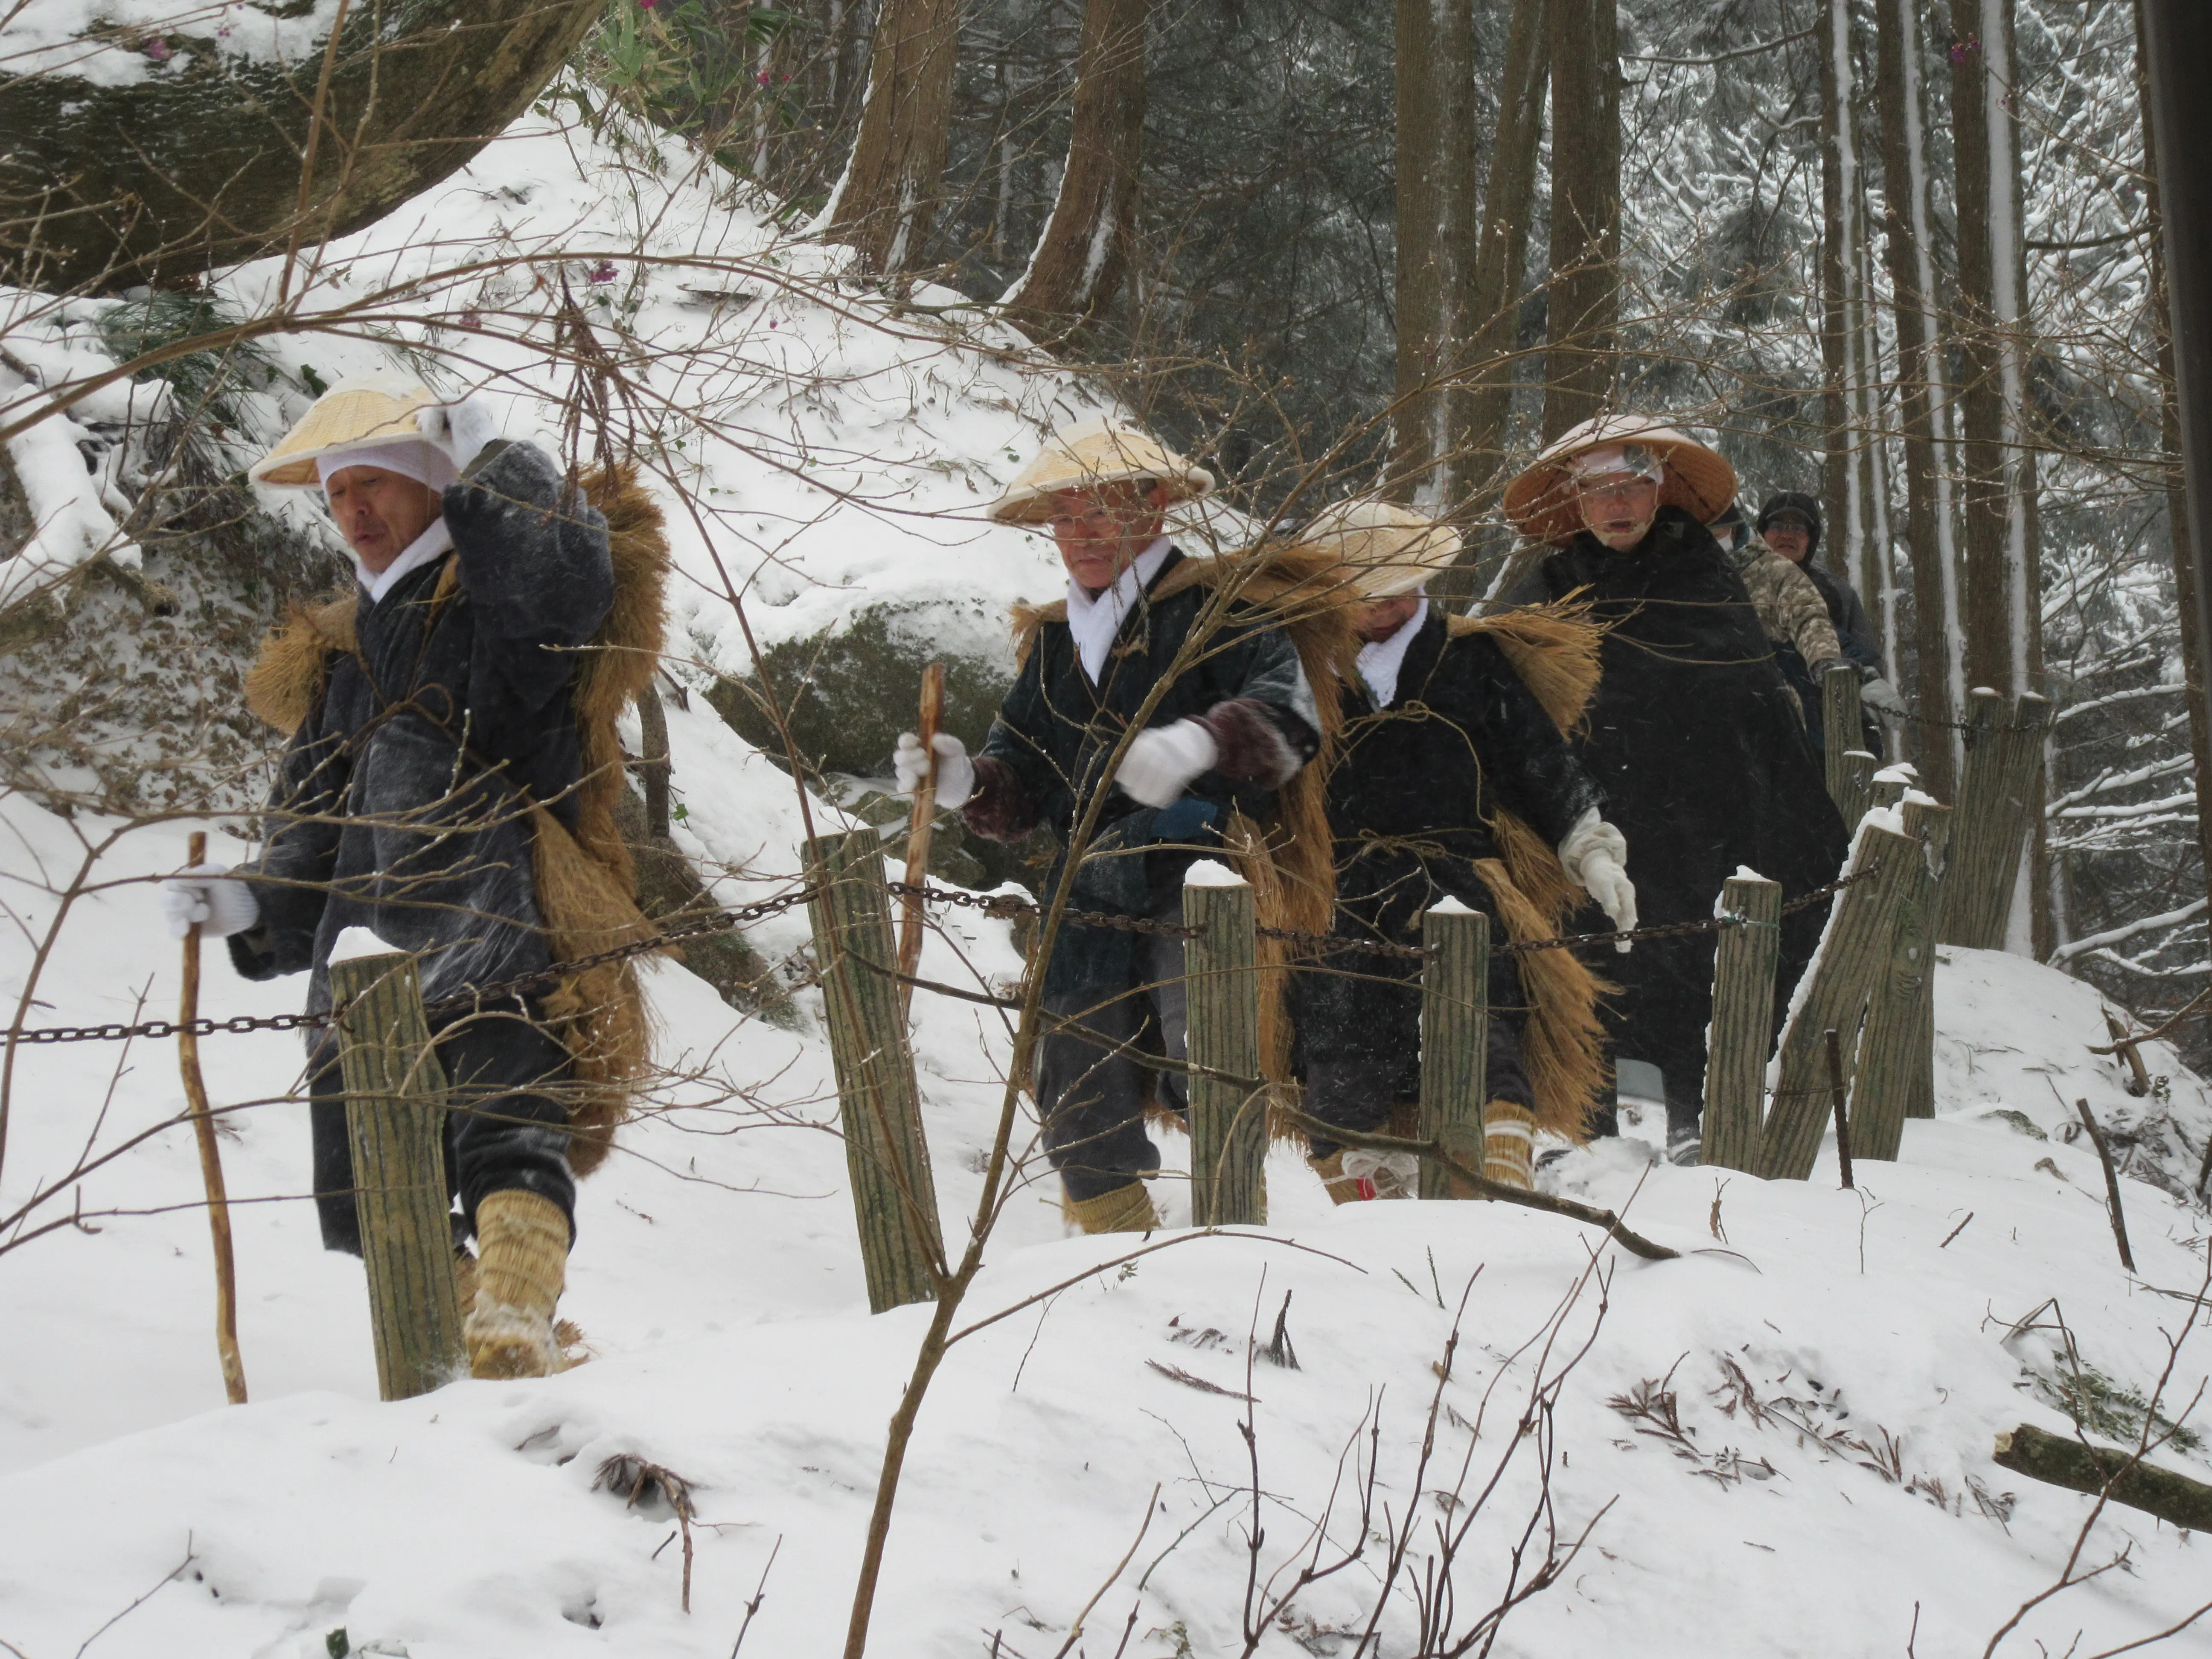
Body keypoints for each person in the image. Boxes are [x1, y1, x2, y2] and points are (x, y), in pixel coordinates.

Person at [161, 375, 663, 1378]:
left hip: (496, 928)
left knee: (505, 1143)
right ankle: (494, 1342)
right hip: (361, 967)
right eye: (338, 493)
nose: (354, 512)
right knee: (365, 1201)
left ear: (434, 481)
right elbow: (308, 825)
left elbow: (565, 583)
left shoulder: (505, 613)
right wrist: (253, 903)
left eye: (378, 484)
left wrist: (489, 462)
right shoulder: (343, 657)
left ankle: (516, 1310)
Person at [895, 418, 1320, 1233]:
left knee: (1211, 1049)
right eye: (1064, 516)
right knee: (1075, 1080)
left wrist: (1202, 740)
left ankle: (1240, 1243)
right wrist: (962, 781)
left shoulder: (1215, 607)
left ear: (1153, 507)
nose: (1080, 535)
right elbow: (1018, 777)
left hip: (1200, 870)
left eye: (1101, 512)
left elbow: (1291, 722)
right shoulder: (1055, 641)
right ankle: (1115, 1261)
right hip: (1086, 884)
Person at [1504, 415, 1850, 1164]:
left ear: (1659, 488)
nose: (1615, 504)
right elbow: (1506, 686)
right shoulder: (1548, 583)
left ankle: (1690, 1110)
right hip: (1591, 811)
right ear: (1575, 502)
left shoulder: (1703, 575)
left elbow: (1742, 694)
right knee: (1591, 958)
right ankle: (1589, 1121)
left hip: (1700, 807)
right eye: (1597, 491)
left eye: (1630, 485)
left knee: (1691, 956)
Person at [1290, 500, 1630, 1196]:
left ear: (1418, 581)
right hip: (1342, 893)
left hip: (1455, 885)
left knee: (1478, 1027)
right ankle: (1359, 1209)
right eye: (1356, 585)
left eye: (1391, 583)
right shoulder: (1306, 673)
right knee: (1338, 1044)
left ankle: (1492, 1191)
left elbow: (1539, 762)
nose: (1375, 602)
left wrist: (1590, 847)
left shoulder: (1469, 659)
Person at [1754, 492, 1908, 738]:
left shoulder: (1835, 592)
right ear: (1763, 532)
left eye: (1797, 528)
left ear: (1811, 539)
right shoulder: (1738, 582)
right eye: (1778, 526)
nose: (1787, 534)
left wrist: (1868, 686)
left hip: (1825, 734)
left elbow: (1860, 655)